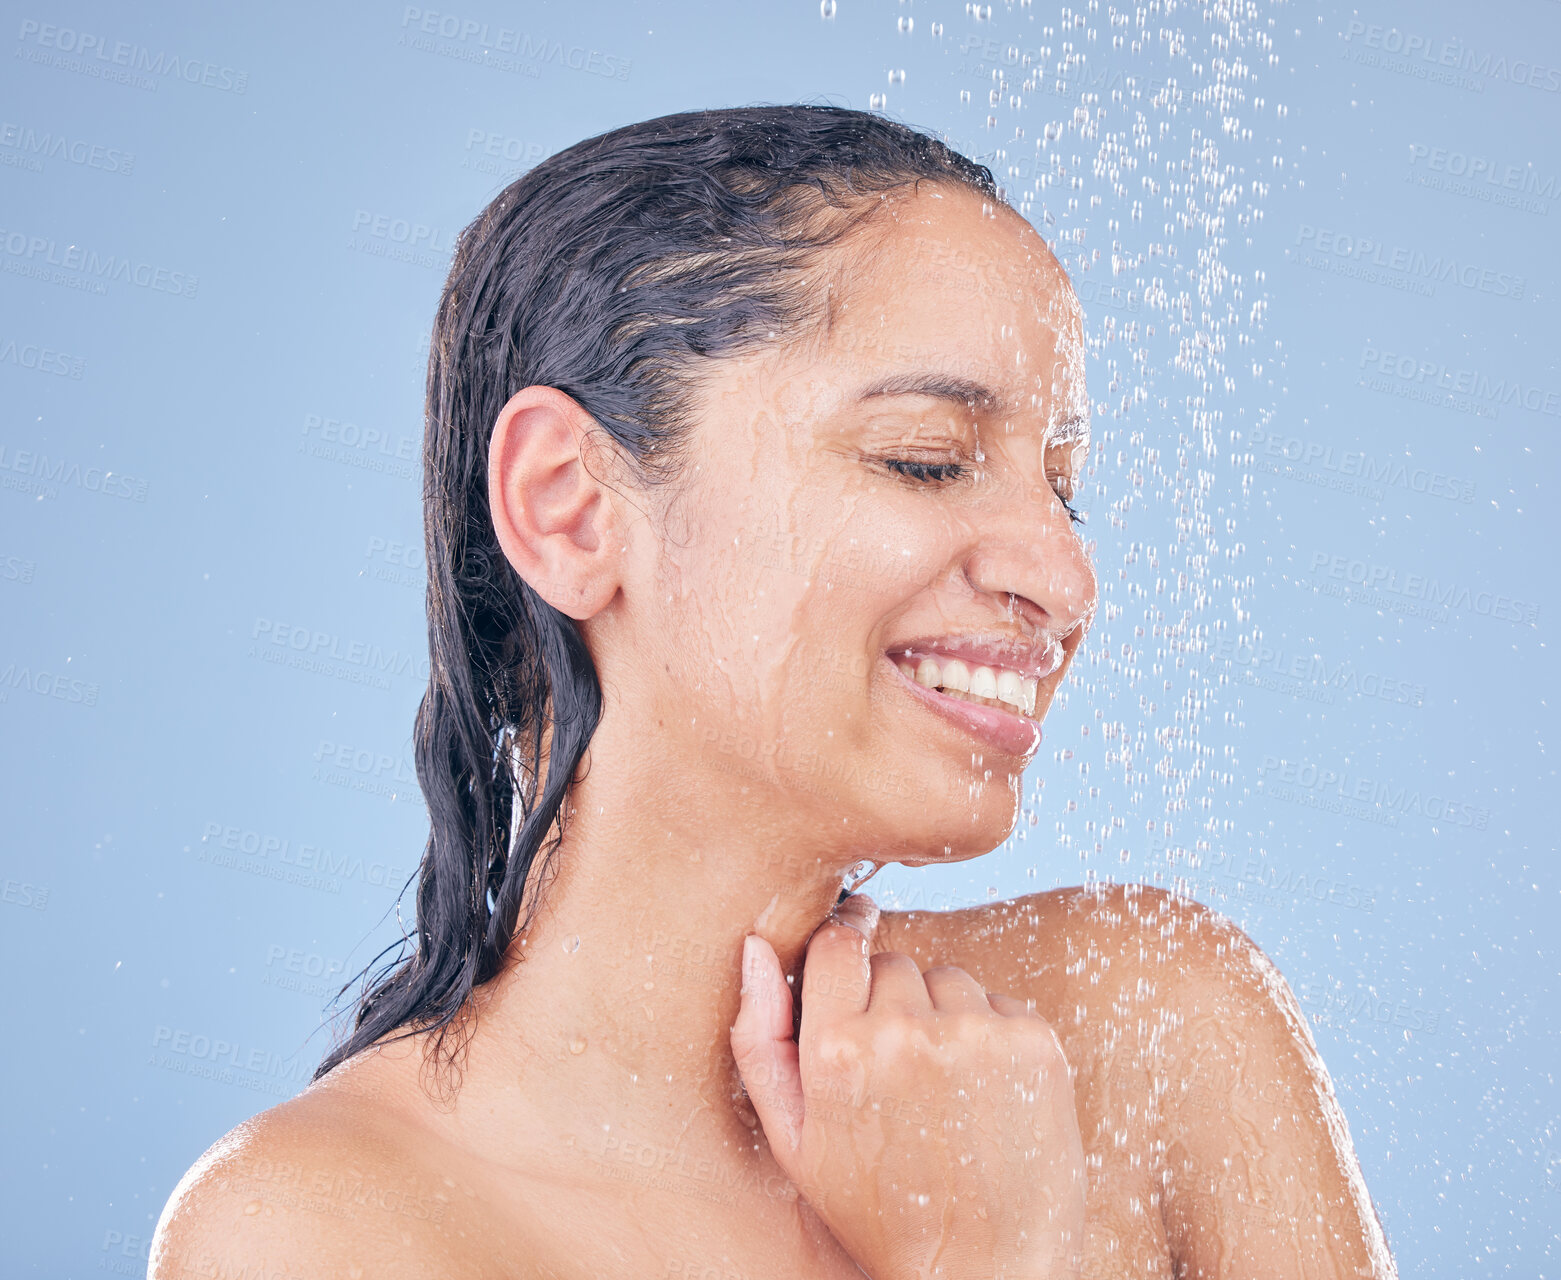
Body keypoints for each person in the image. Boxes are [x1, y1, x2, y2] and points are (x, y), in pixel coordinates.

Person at [149, 105, 1395, 1279]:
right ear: (569, 506)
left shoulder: (1156, 1026)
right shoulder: (325, 1225)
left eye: (1062, 487)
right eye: (926, 458)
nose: (1065, 575)